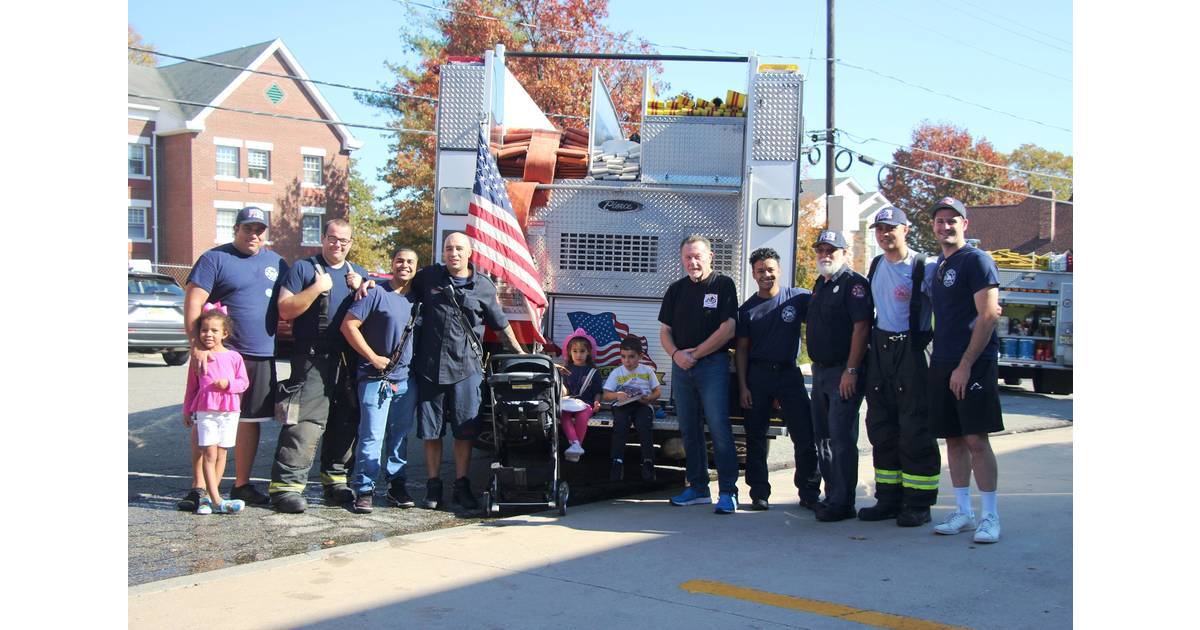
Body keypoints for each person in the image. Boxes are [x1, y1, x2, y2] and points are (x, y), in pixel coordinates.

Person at [409, 232, 526, 511]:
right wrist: (364, 284)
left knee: (464, 432)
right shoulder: (428, 278)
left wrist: (521, 355)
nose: (454, 253)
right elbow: (399, 287)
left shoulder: (483, 286)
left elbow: (500, 325)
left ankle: (462, 484)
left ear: (470, 252)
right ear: (443, 252)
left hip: (467, 370)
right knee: (431, 431)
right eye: (449, 248)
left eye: (459, 248)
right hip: (430, 370)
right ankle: (433, 484)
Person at [180, 206, 286, 510]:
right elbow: (194, 299)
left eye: (259, 230)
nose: (254, 234)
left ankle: (241, 484)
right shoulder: (214, 259)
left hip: (261, 354)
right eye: (248, 228)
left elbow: (292, 297)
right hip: (220, 356)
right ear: (236, 229)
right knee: (206, 420)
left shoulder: (276, 262)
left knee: (248, 421)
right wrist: (195, 344)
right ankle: (199, 488)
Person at [268, 218, 369, 513]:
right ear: (323, 238)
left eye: (344, 240)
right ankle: (286, 488)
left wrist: (363, 287)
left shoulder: (358, 274)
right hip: (312, 359)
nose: (338, 245)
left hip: (347, 361)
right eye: (333, 239)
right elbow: (285, 310)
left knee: (345, 422)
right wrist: (316, 289)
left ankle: (335, 481)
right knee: (304, 425)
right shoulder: (303, 269)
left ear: (351, 243)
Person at [925, 197, 1004, 544]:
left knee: (975, 439)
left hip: (973, 363)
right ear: (933, 227)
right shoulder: (940, 266)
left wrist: (965, 365)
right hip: (942, 361)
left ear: (965, 225)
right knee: (953, 440)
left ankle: (990, 517)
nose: (946, 226)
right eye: (940, 221)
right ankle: (963, 512)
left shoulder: (977, 261)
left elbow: (989, 314)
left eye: (953, 221)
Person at [857, 207, 942, 527]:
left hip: (913, 352)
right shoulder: (877, 264)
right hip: (881, 350)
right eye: (879, 229)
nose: (884, 234)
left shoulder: (925, 267)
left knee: (914, 428)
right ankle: (888, 498)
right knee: (881, 426)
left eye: (890, 228)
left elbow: (946, 312)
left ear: (906, 230)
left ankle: (918, 502)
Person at [734, 247, 821, 511]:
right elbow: (741, 350)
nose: (766, 275)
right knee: (756, 438)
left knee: (804, 435)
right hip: (757, 375)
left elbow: (824, 307)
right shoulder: (747, 310)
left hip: (788, 373)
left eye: (770, 269)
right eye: (760, 271)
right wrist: (743, 386)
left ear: (779, 270)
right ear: (753, 274)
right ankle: (759, 493)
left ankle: (808, 492)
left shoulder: (798, 298)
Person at [659, 235, 740, 514]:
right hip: (682, 367)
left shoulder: (723, 285)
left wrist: (696, 354)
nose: (693, 262)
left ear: (710, 256)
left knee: (718, 427)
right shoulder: (676, 290)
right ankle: (697, 488)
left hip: (712, 366)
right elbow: (665, 332)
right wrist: (676, 355)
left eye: (698, 256)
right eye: (687, 257)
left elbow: (728, 329)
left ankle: (728, 491)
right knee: (689, 429)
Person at [340, 248, 420, 514]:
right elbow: (348, 326)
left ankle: (396, 485)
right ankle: (364, 489)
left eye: (410, 262)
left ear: (416, 267)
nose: (404, 266)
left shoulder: (418, 299)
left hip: (406, 380)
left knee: (399, 438)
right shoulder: (374, 292)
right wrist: (373, 357)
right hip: (375, 378)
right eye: (400, 261)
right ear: (392, 264)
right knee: (371, 436)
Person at [805, 230, 873, 522]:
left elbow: (861, 327)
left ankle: (843, 502)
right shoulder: (820, 283)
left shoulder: (854, 285)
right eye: (821, 250)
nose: (825, 255)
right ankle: (832, 495)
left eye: (831, 250)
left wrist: (851, 370)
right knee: (823, 439)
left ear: (845, 253)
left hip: (843, 373)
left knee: (841, 438)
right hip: (820, 372)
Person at [182, 304, 250, 515]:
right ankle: (216, 499)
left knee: (221, 453)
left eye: (214, 330)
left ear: (224, 333)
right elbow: (191, 387)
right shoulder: (199, 357)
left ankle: (211, 498)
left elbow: (243, 383)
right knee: (209, 452)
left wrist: (227, 384)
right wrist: (186, 409)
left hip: (229, 411)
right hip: (206, 411)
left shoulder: (234, 357)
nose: (208, 334)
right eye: (204, 330)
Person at [602, 337, 662, 481]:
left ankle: (648, 461)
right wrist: (618, 395)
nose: (627, 361)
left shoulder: (647, 371)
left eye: (631, 357)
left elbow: (657, 391)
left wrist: (648, 398)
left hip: (642, 405)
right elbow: (606, 395)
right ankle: (617, 461)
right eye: (623, 356)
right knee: (620, 426)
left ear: (640, 356)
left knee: (644, 426)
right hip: (622, 406)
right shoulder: (617, 372)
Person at [557, 328, 602, 463]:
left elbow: (597, 391)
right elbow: (564, 391)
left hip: (586, 404)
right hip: (569, 403)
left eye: (582, 351)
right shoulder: (566, 370)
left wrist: (597, 403)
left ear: (588, 352)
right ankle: (576, 445)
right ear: (569, 353)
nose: (578, 355)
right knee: (564, 416)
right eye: (575, 351)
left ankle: (576, 446)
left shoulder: (594, 372)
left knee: (582, 417)